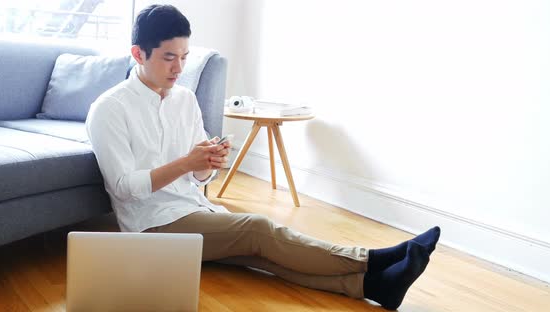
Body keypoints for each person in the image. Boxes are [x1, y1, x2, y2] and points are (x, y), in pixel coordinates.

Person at [85, 4, 440, 310]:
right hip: (151, 224)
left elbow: (198, 178)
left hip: (193, 208)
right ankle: (374, 259)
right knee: (258, 229)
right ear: (138, 54)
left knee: (262, 254)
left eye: (184, 57)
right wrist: (186, 163)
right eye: (168, 58)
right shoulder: (109, 110)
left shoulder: (184, 99)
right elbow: (122, 188)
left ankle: (373, 287)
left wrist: (208, 164)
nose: (179, 68)